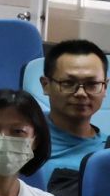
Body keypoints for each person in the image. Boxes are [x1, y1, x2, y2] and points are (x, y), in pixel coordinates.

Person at [38, 40, 107, 185]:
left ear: (104, 87)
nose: (81, 93)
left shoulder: (106, 152)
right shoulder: (20, 137)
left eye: (92, 84)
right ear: (45, 85)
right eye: (68, 83)